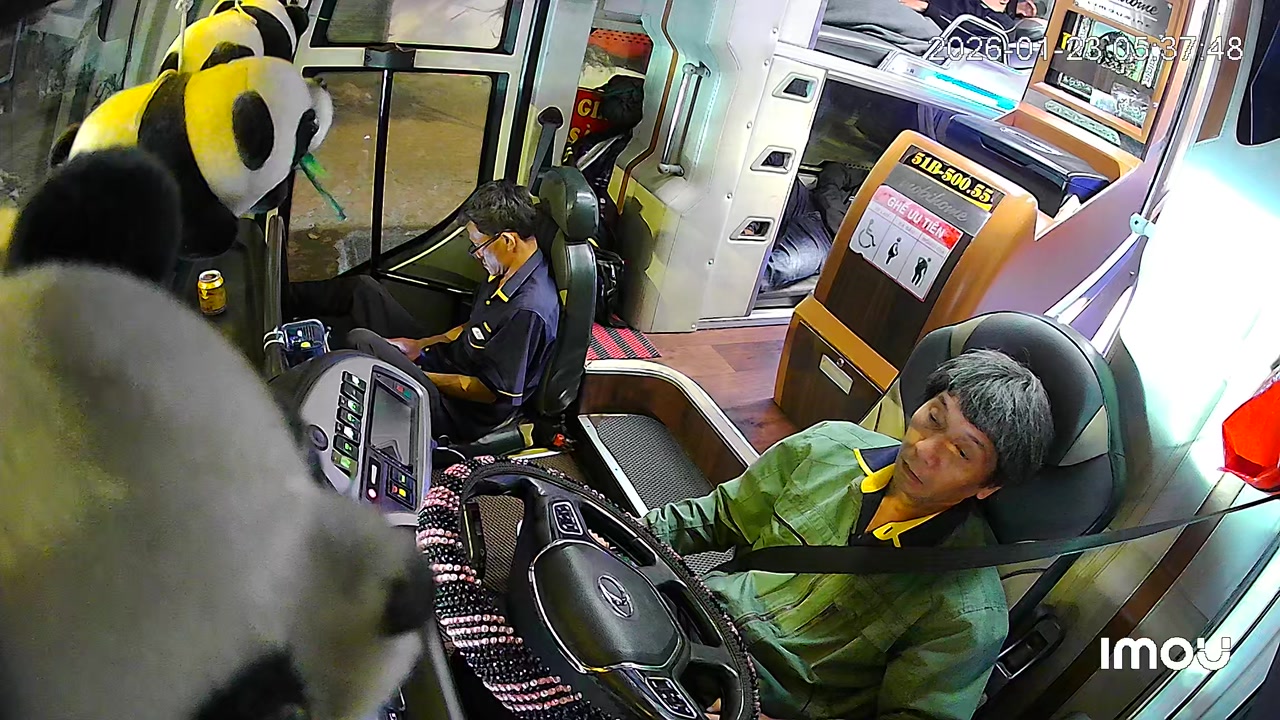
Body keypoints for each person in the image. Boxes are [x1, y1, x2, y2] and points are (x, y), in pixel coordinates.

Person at [643, 349, 1054, 720]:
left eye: (961, 452)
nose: (924, 450)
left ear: (988, 486)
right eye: (934, 418)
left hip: (763, 705)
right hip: (689, 620)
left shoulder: (968, 613)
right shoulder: (825, 447)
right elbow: (716, 517)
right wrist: (629, 540)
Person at [288, 180, 559, 443]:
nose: (476, 254)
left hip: (457, 412)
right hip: (444, 360)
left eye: (478, 246)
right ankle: (280, 297)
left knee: (361, 340)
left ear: (508, 241)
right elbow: (473, 328)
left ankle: (292, 391)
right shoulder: (506, 271)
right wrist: (419, 346)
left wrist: (413, 374)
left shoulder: (527, 310)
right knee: (362, 289)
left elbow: (489, 392)